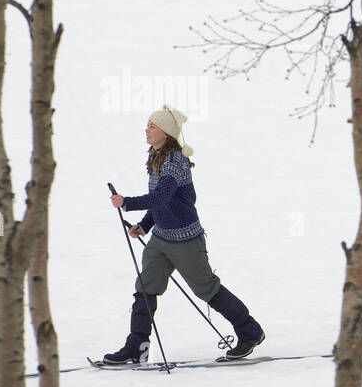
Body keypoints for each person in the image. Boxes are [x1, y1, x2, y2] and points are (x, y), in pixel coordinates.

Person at [102, 105, 265, 363]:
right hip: (161, 240)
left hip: (186, 240)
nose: (147, 129)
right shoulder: (155, 158)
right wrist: (144, 226)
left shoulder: (175, 161)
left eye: (152, 126)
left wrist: (126, 203)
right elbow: (161, 204)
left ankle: (250, 331)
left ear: (165, 133)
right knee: (145, 289)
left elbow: (162, 196)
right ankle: (137, 347)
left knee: (207, 289)